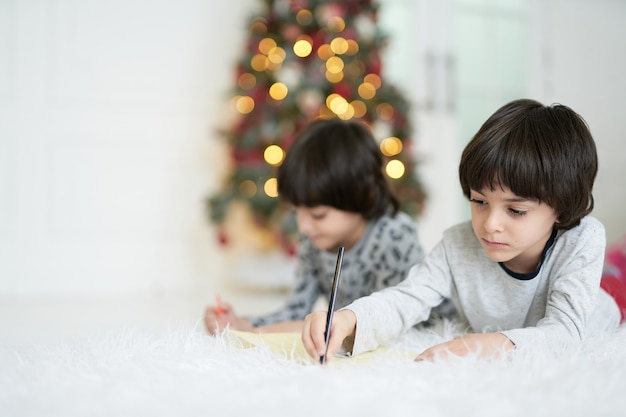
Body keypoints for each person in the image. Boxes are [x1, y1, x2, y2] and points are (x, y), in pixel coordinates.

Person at [302, 98, 625, 363]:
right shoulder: (458, 244)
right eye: (479, 201)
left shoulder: (582, 239)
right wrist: (348, 320)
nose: (490, 223)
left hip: (602, 311)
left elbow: (564, 335)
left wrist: (487, 345)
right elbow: (406, 297)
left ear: (562, 206)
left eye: (516, 210)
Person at [204, 117, 431, 334]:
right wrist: (242, 324)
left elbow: (396, 322)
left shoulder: (395, 237)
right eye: (297, 212)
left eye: (318, 215)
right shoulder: (315, 240)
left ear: (363, 195)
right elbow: (296, 311)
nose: (303, 227)